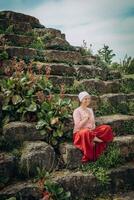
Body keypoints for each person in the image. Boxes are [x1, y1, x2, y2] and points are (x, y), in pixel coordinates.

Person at [73, 91, 114, 163]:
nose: (87, 100)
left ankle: (92, 137)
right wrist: (86, 118)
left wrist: (92, 130)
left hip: (91, 131)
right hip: (80, 133)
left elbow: (93, 124)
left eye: (88, 98)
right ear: (81, 100)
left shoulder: (90, 110)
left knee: (107, 128)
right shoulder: (77, 111)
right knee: (86, 131)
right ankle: (96, 139)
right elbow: (78, 126)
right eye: (85, 99)